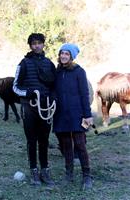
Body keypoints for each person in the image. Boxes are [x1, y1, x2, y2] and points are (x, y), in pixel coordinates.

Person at [13, 33, 56, 186]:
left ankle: (45, 170)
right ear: (30, 45)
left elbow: (54, 86)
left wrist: (53, 97)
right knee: (32, 141)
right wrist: (28, 93)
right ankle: (34, 171)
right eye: (34, 43)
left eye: (39, 43)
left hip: (45, 108)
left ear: (43, 44)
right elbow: (15, 87)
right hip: (29, 108)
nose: (37, 46)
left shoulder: (49, 64)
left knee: (44, 140)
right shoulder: (23, 63)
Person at [53, 43, 93, 190]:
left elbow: (84, 94)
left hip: (77, 114)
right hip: (61, 114)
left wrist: (87, 115)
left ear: (72, 56)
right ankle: (69, 175)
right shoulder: (57, 72)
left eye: (67, 54)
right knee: (66, 146)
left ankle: (87, 176)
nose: (63, 56)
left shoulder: (79, 71)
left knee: (80, 145)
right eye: (62, 53)